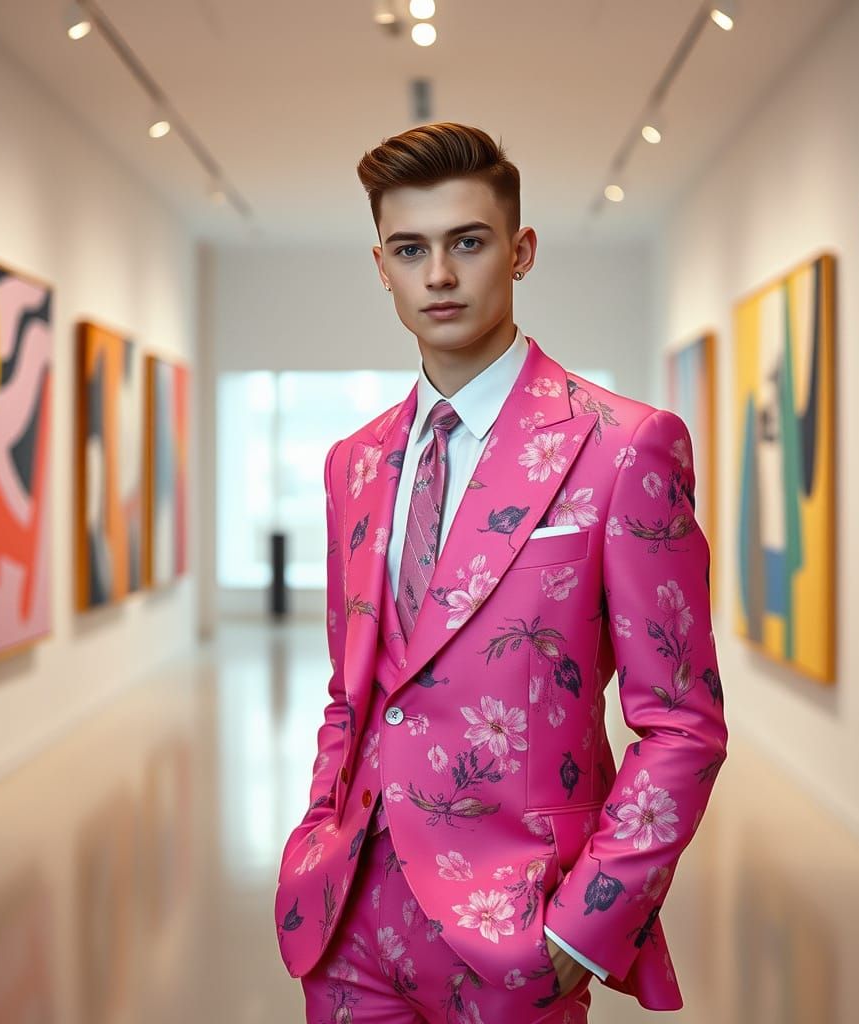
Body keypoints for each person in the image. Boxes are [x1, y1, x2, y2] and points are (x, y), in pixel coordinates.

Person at [274, 122, 727, 1022]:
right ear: (382, 267)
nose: (438, 275)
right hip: (348, 920)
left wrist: (582, 930)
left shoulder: (622, 447)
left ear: (519, 251)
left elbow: (683, 726)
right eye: (410, 250)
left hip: (516, 925)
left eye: (466, 242)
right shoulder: (353, 464)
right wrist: (317, 829)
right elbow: (353, 688)